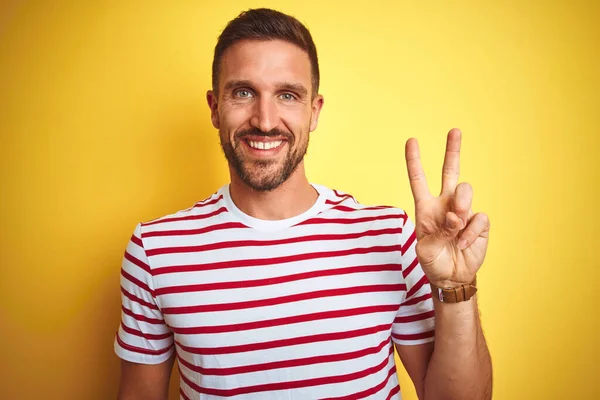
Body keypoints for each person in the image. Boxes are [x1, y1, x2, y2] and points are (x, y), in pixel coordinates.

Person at [114, 8, 492, 400]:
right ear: (214, 107)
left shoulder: (389, 237)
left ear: (314, 112)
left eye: (288, 95)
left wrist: (456, 287)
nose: (264, 120)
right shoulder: (155, 251)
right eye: (243, 92)